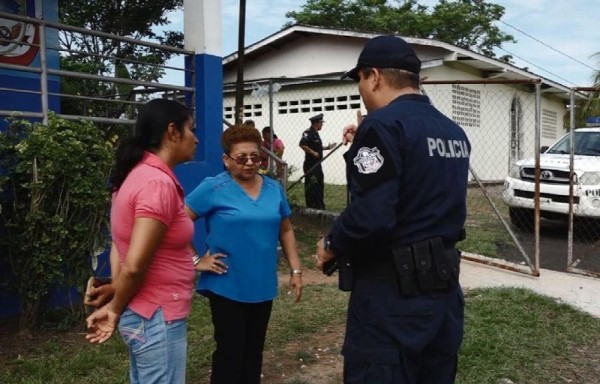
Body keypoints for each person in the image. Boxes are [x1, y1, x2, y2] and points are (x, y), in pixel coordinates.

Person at [315, 35, 470, 384]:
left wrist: (330, 244)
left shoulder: (382, 124)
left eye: (358, 80)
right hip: (442, 295)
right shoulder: (452, 131)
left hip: (391, 298)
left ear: (373, 76)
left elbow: (372, 215)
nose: (360, 89)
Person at [85, 99, 200, 384]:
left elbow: (119, 246)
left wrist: (116, 288)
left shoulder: (134, 176)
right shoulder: (156, 184)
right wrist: (113, 309)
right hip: (157, 316)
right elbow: (135, 265)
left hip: (145, 313)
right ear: (173, 132)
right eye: (191, 129)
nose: (196, 139)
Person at [185, 123, 303, 384]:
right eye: (241, 158)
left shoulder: (273, 189)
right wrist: (196, 260)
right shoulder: (213, 187)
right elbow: (177, 223)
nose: (250, 163)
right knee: (230, 351)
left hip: (261, 284)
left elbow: (285, 230)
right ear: (226, 160)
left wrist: (295, 270)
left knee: (254, 351)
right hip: (227, 283)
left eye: (256, 157)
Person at [299, 113, 336, 210]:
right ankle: (311, 206)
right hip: (310, 165)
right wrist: (313, 153)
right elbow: (302, 144)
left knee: (319, 185)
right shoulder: (308, 133)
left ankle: (319, 205)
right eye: (321, 123)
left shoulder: (316, 134)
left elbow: (317, 146)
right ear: (316, 123)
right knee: (312, 186)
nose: (322, 125)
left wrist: (327, 147)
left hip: (317, 164)